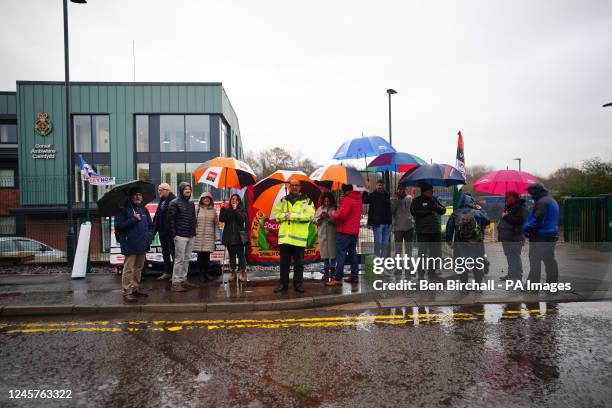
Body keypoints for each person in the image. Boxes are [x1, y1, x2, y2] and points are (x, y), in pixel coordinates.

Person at [272, 180, 316, 293]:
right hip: (285, 238)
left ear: (300, 187)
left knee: (299, 264)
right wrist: (284, 216)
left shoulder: (308, 201)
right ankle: (283, 285)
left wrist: (293, 216)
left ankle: (298, 285)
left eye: (296, 185)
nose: (294, 187)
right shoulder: (283, 200)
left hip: (298, 239)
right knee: (284, 264)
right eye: (292, 185)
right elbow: (276, 215)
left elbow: (309, 216)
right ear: (289, 187)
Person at [115, 187, 153, 302]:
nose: (138, 196)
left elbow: (150, 225)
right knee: (129, 269)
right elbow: (119, 226)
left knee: (138, 268)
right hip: (129, 243)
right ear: (131, 196)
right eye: (135, 194)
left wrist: (148, 236)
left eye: (139, 195)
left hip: (142, 243)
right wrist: (133, 219)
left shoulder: (143, 209)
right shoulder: (123, 210)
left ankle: (135, 288)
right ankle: (127, 291)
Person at [445, 192, 490, 286]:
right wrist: (481, 209)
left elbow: (449, 228)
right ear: (472, 201)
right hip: (477, 242)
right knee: (477, 263)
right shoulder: (477, 212)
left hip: (460, 243)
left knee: (462, 264)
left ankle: (464, 286)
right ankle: (478, 286)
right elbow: (487, 221)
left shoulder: (455, 213)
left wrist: (449, 241)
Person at [326, 184, 363, 286]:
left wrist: (333, 213)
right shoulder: (359, 198)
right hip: (354, 231)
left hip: (344, 231)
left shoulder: (347, 199)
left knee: (341, 255)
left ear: (345, 191)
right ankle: (354, 276)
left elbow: (342, 216)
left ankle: (337, 279)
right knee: (353, 254)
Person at [524, 183, 560, 289]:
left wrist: (525, 228)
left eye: (531, 193)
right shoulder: (551, 200)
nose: (530, 195)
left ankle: (532, 286)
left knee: (535, 261)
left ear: (536, 191)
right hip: (551, 236)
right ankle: (552, 284)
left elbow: (538, 219)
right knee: (550, 261)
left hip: (540, 236)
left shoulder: (542, 202)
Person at [410, 182, 446, 281]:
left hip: (435, 231)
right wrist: (428, 210)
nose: (432, 192)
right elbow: (414, 212)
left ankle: (432, 273)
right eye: (431, 191)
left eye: (432, 191)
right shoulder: (416, 200)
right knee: (422, 253)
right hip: (423, 231)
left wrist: (435, 206)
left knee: (434, 253)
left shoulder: (434, 200)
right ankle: (421, 273)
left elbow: (443, 210)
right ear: (425, 191)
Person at [167, 182, 197, 292]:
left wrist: (193, 232)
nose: (188, 190)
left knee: (187, 258)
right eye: (185, 189)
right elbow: (170, 220)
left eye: (189, 188)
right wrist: (174, 234)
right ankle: (175, 282)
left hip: (190, 235)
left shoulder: (191, 203)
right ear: (181, 190)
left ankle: (183, 279)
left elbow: (193, 219)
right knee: (179, 259)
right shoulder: (174, 203)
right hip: (180, 236)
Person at [498, 191, 528, 282]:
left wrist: (505, 217)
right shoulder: (509, 206)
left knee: (515, 256)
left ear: (515, 197)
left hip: (515, 237)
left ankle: (518, 276)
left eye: (508, 197)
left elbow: (519, 220)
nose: (506, 199)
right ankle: (511, 275)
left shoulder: (521, 208)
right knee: (509, 257)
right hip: (507, 237)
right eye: (506, 197)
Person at [219, 193, 248, 284]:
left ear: (239, 201)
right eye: (232, 199)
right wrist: (222, 209)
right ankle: (233, 273)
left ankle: (243, 273)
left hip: (239, 237)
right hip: (229, 237)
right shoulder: (227, 210)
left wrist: (235, 210)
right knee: (231, 256)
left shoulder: (242, 210)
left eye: (236, 199)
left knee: (241, 256)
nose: (234, 200)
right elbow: (222, 219)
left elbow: (241, 219)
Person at [152, 183, 176, 281]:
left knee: (173, 253)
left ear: (167, 190)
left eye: (160, 190)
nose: (159, 192)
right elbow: (158, 216)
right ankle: (167, 272)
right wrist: (154, 230)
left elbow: (174, 218)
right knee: (165, 253)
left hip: (170, 233)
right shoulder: (162, 200)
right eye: (158, 190)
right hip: (162, 232)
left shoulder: (173, 200)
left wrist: (174, 232)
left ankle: (175, 274)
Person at [362, 179, 392, 258]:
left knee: (385, 245)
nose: (380, 187)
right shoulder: (372, 195)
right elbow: (364, 200)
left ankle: (383, 263)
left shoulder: (387, 194)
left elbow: (389, 208)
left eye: (381, 185)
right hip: (377, 224)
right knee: (378, 244)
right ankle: (378, 262)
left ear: (384, 186)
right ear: (376, 185)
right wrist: (366, 189)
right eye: (379, 185)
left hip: (387, 224)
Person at [193, 191, 219, 282]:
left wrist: (217, 236)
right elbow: (193, 222)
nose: (207, 200)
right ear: (201, 199)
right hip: (198, 236)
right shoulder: (197, 209)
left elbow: (216, 224)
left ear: (211, 200)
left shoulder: (213, 210)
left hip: (209, 236)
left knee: (207, 256)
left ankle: (206, 273)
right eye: (205, 198)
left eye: (208, 198)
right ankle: (200, 274)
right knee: (200, 256)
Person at [391, 183, 415, 272]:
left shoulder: (409, 198)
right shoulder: (394, 199)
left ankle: (409, 266)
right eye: (399, 189)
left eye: (402, 189)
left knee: (409, 248)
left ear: (405, 190)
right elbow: (391, 211)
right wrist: (394, 201)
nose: (401, 191)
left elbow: (411, 209)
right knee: (398, 249)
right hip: (398, 228)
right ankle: (398, 267)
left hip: (409, 226)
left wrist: (413, 220)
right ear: (397, 190)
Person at [314, 192, 337, 281]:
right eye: (325, 201)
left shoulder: (334, 209)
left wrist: (328, 218)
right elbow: (314, 220)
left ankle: (333, 273)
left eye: (328, 201)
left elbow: (337, 222)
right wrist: (320, 218)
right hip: (323, 235)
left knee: (333, 254)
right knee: (325, 255)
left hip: (332, 235)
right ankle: (326, 273)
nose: (327, 203)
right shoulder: (320, 209)